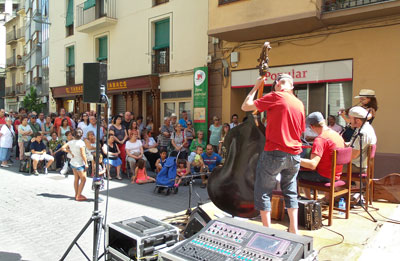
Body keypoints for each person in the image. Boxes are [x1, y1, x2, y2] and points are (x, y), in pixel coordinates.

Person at [241, 73, 305, 234]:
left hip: (275, 152)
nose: (279, 83)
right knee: (290, 190)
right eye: (277, 82)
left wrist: (256, 87)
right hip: (295, 154)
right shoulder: (299, 103)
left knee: (263, 190)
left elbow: (245, 106)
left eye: (283, 81)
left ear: (291, 86)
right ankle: (294, 229)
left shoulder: (276, 96)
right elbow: (301, 129)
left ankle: (267, 231)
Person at [298, 112, 345, 199]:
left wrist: (295, 159)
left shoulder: (320, 139)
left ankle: (306, 201)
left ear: (312, 126)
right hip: (336, 174)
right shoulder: (337, 135)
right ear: (324, 121)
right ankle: (309, 200)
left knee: (295, 173)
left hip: (324, 176)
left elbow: (312, 165)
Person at [344, 106, 377, 174]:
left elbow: (353, 155)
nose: (349, 121)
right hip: (358, 164)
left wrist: (338, 153)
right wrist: (344, 144)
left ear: (358, 120)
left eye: (350, 118)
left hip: (357, 166)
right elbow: (355, 145)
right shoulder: (367, 128)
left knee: (329, 165)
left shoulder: (363, 133)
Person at [61, 128, 88, 201]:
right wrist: (86, 163)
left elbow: (63, 148)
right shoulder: (81, 143)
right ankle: (78, 195)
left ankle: (76, 194)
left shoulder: (71, 142)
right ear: (81, 135)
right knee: (83, 179)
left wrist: (69, 151)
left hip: (73, 162)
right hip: (79, 163)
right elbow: (83, 154)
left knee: (76, 178)